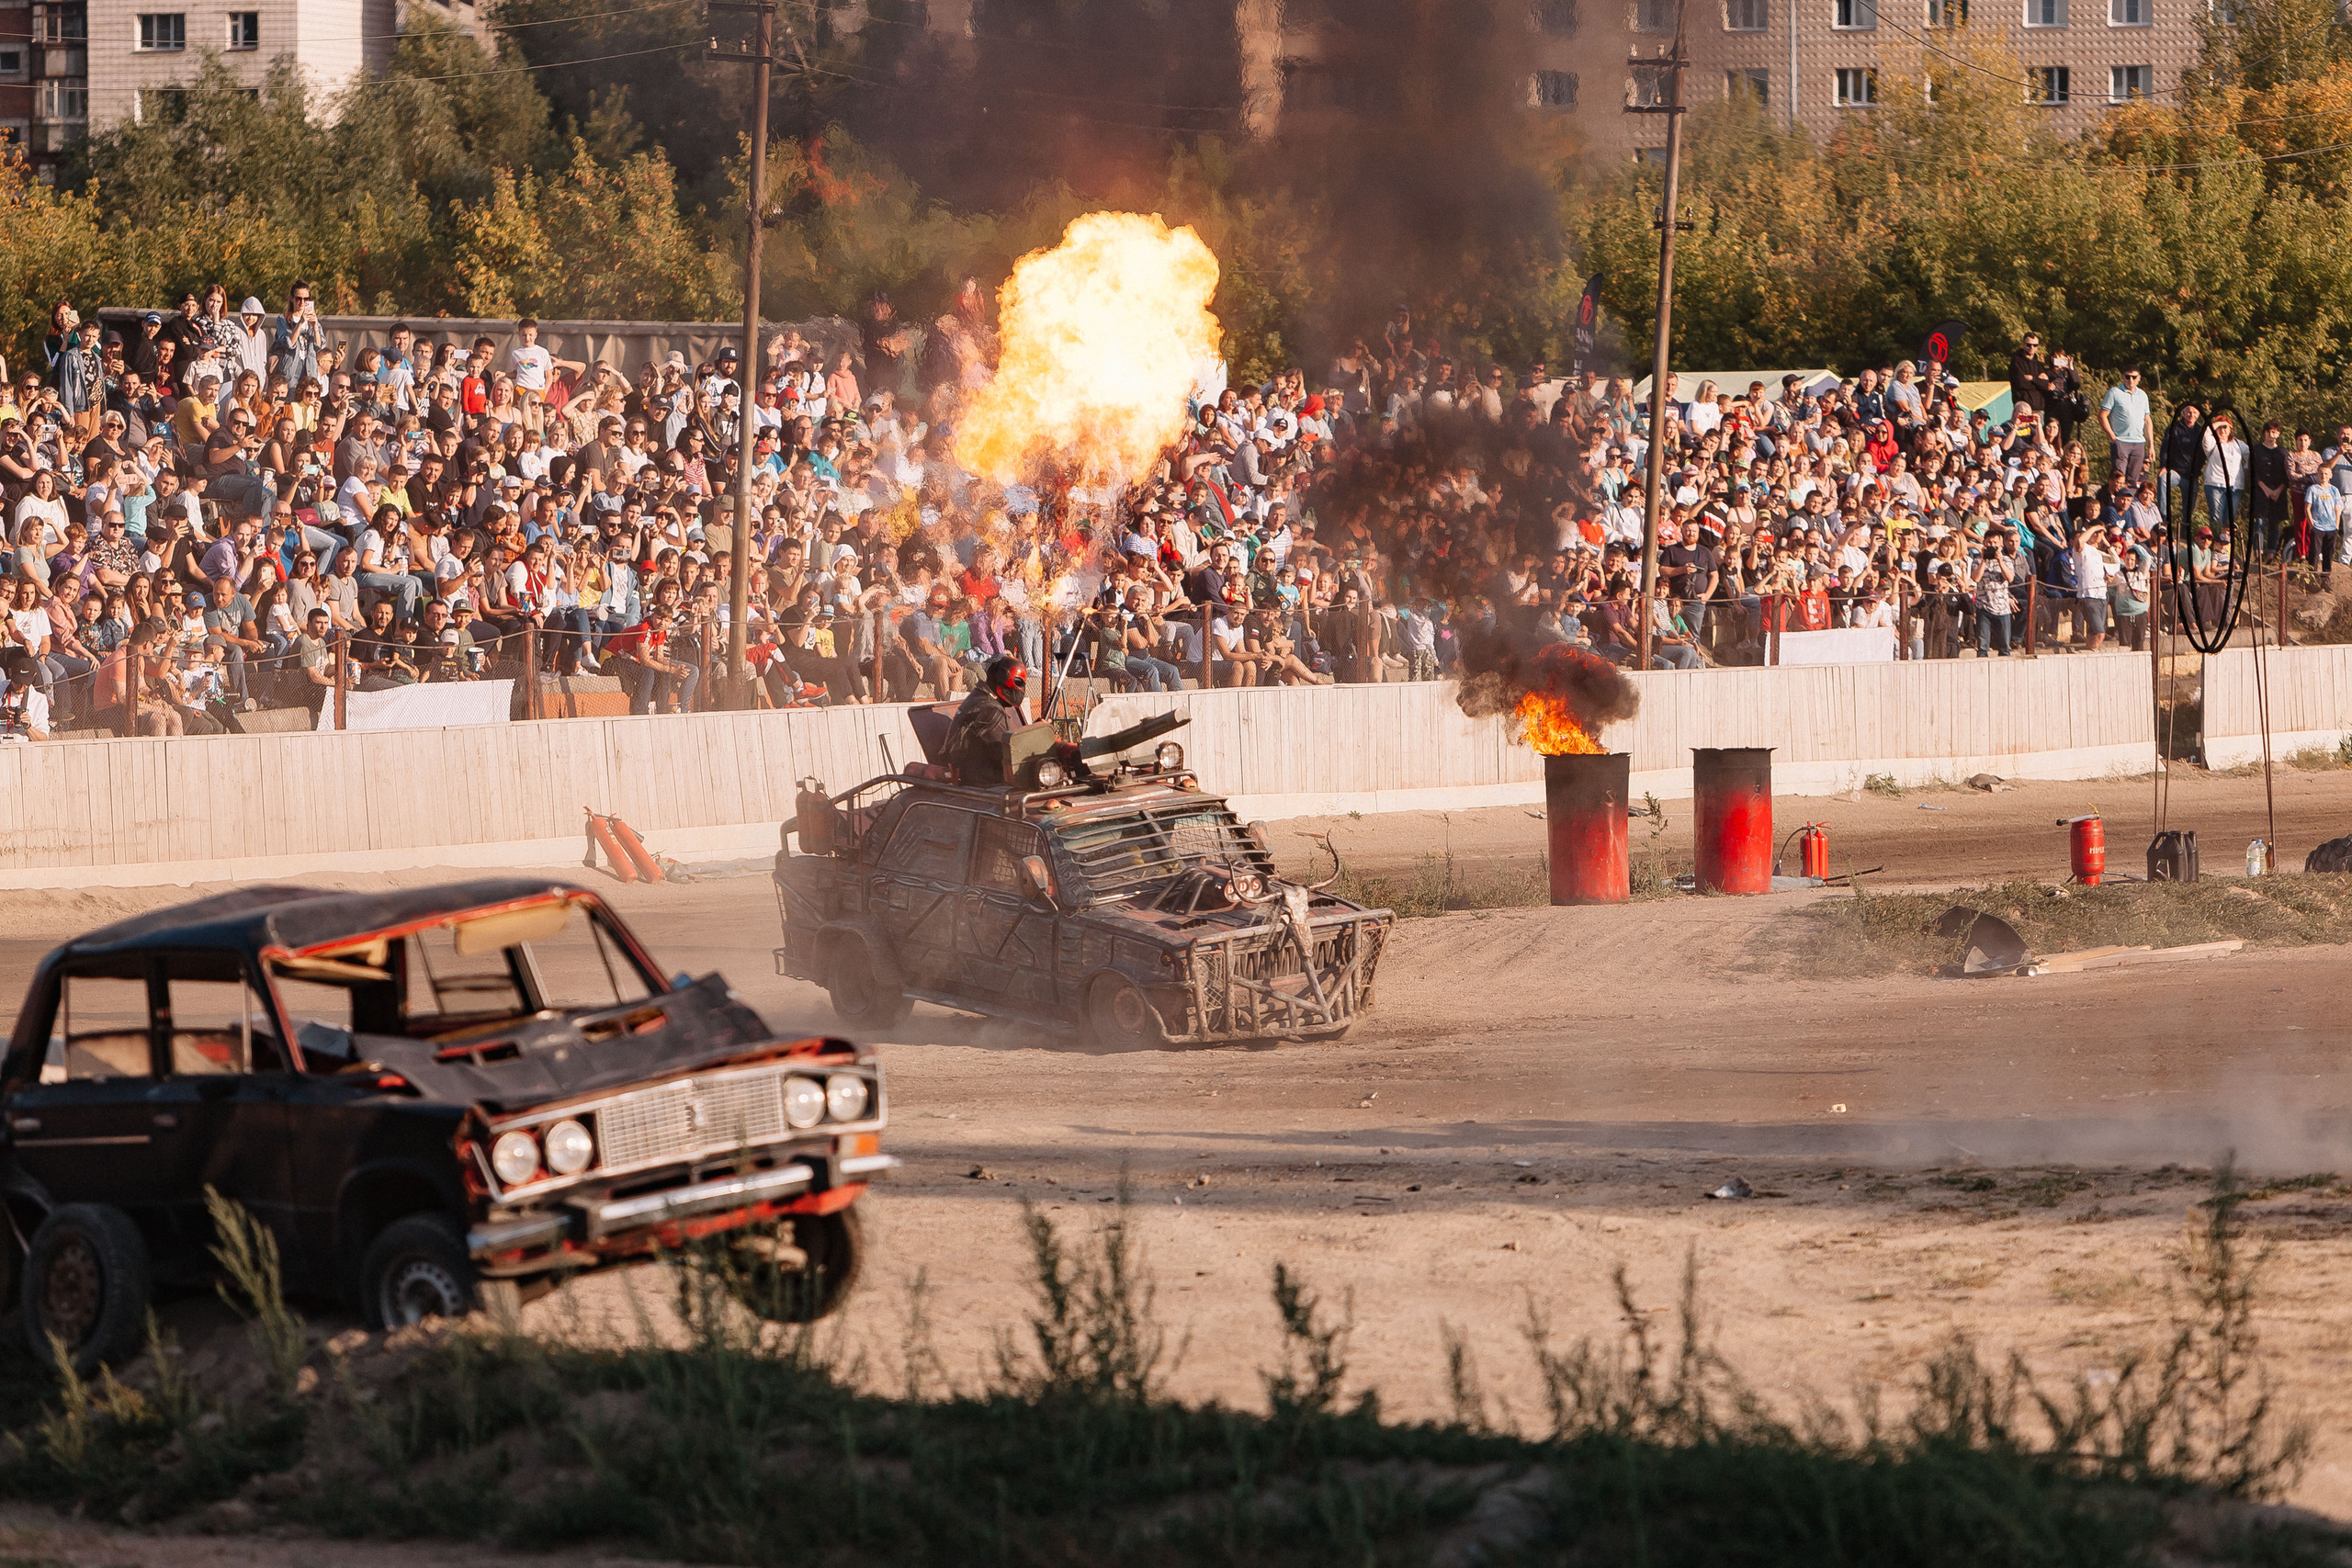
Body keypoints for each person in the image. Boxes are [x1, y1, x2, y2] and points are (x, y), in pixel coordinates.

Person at [943, 653, 1025, 786]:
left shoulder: (978, 697)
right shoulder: (990, 711)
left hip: (972, 777)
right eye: (1018, 682)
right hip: (985, 785)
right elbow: (1009, 757)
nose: (1021, 688)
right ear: (1005, 680)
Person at [2099, 368, 2152, 485]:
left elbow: (2147, 420)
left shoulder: (2143, 395)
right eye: (2127, 377)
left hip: (2139, 443)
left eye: (2134, 377)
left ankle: (2130, 502)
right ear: (2123, 377)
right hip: (2121, 441)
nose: (2131, 380)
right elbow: (2102, 416)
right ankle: (2116, 502)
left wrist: (2151, 445)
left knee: (2133, 480)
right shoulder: (2114, 392)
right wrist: (2113, 437)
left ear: (2139, 378)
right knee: (2118, 479)